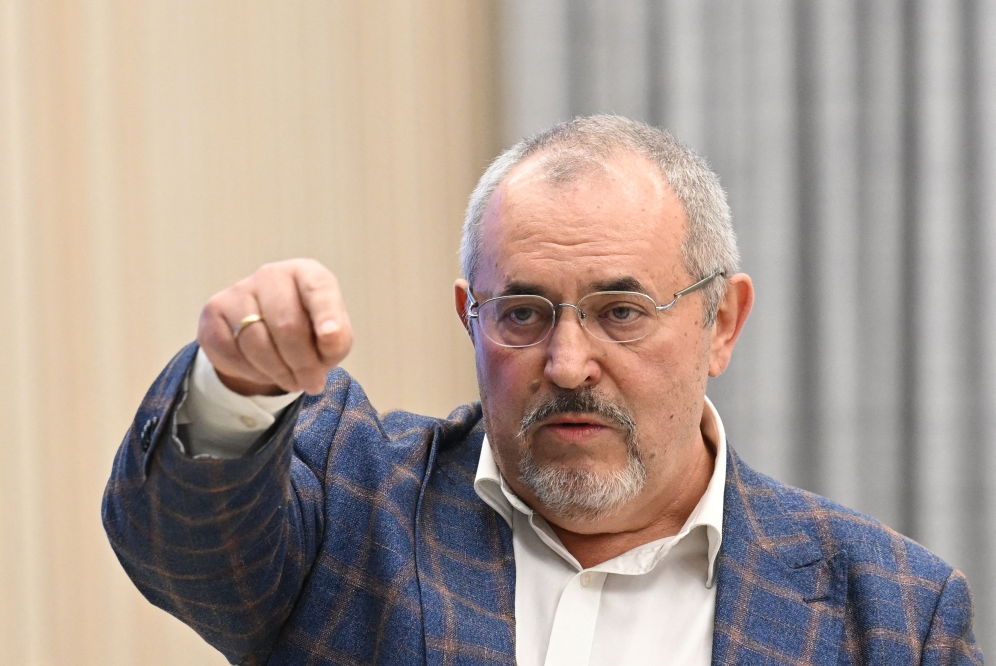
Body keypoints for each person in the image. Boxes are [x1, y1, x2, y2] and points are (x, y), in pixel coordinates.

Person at [102, 115, 982, 665]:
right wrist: (236, 386)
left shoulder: (891, 617)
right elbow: (188, 545)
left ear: (722, 323)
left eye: (621, 312)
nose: (567, 364)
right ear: (469, 319)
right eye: (522, 314)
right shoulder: (357, 505)